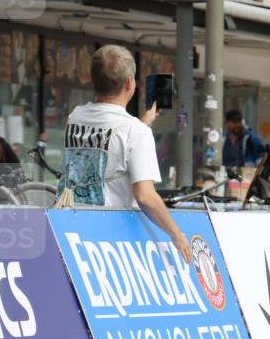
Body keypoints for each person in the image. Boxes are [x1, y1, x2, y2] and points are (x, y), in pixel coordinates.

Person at [57, 45, 191, 263]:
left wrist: (142, 124)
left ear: (93, 80)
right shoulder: (135, 132)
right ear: (130, 83)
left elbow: (106, 137)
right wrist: (177, 235)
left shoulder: (76, 116)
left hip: (72, 229)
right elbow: (145, 197)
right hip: (109, 240)